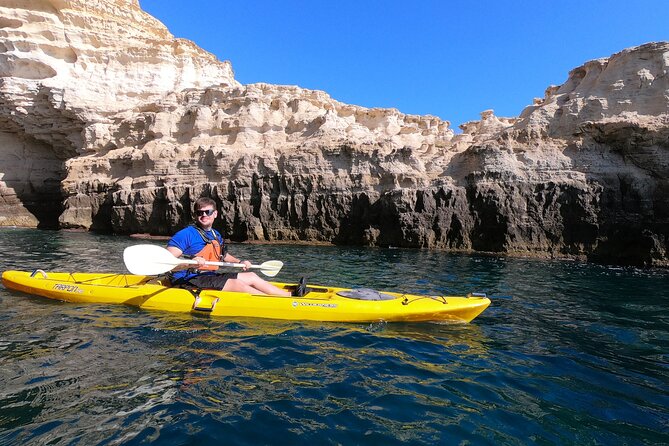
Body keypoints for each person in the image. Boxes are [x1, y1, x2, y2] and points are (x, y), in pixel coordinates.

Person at [166, 197, 294, 296]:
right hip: (187, 279)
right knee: (237, 284)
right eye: (200, 212)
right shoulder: (185, 234)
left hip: (207, 276)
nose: (204, 215)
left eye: (208, 212)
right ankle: (273, 304)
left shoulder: (215, 234)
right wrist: (190, 263)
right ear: (196, 215)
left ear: (215, 214)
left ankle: (289, 296)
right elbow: (168, 262)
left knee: (251, 276)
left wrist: (240, 261)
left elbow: (223, 255)